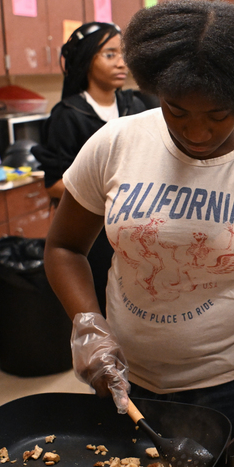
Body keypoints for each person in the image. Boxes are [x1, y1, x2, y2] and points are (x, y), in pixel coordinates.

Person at [44, 0, 234, 467]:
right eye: (176, 110)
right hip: (121, 377)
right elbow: (64, 248)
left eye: (218, 115)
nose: (196, 131)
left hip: (226, 385)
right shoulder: (116, 143)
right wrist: (88, 325)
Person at [32, 22, 147, 316]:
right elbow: (55, 183)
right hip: (93, 235)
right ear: (85, 59)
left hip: (138, 230)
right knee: (103, 305)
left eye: (123, 53)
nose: (121, 62)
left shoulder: (135, 105)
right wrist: (112, 199)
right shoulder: (68, 115)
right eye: (109, 54)